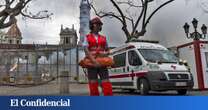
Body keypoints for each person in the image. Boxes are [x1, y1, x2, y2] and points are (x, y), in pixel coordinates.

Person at [82, 17, 113, 96]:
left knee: (106, 82)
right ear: (92, 25)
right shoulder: (87, 37)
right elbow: (86, 50)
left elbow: (108, 50)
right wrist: (94, 61)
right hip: (91, 64)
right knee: (93, 83)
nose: (98, 26)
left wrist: (105, 54)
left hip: (102, 63)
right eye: (97, 24)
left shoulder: (104, 38)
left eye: (100, 24)